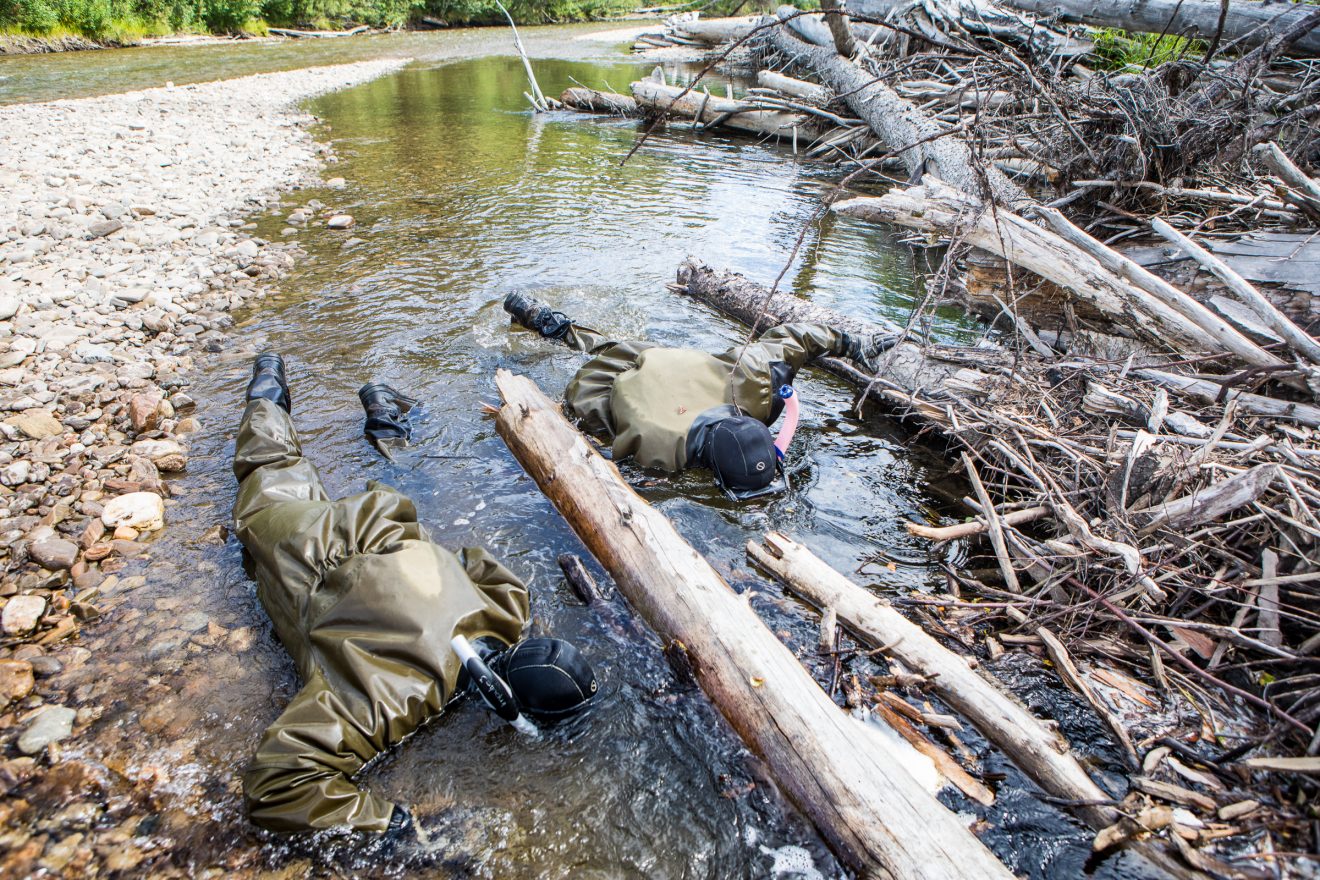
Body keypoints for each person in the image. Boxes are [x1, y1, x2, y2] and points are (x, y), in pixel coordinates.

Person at [233, 353, 598, 837]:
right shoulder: (395, 697)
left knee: (288, 470)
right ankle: (266, 378)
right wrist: (394, 826)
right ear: (502, 701)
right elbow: (275, 786)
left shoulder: (507, 606)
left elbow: (472, 558)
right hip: (298, 554)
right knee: (267, 462)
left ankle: (282, 379)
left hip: (375, 519)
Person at [503, 293, 897, 500]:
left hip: (671, 361)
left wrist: (852, 343)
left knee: (614, 345)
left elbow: (794, 338)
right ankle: (548, 326)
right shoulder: (658, 452)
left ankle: (546, 318)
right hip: (611, 384)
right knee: (594, 392)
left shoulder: (753, 384)